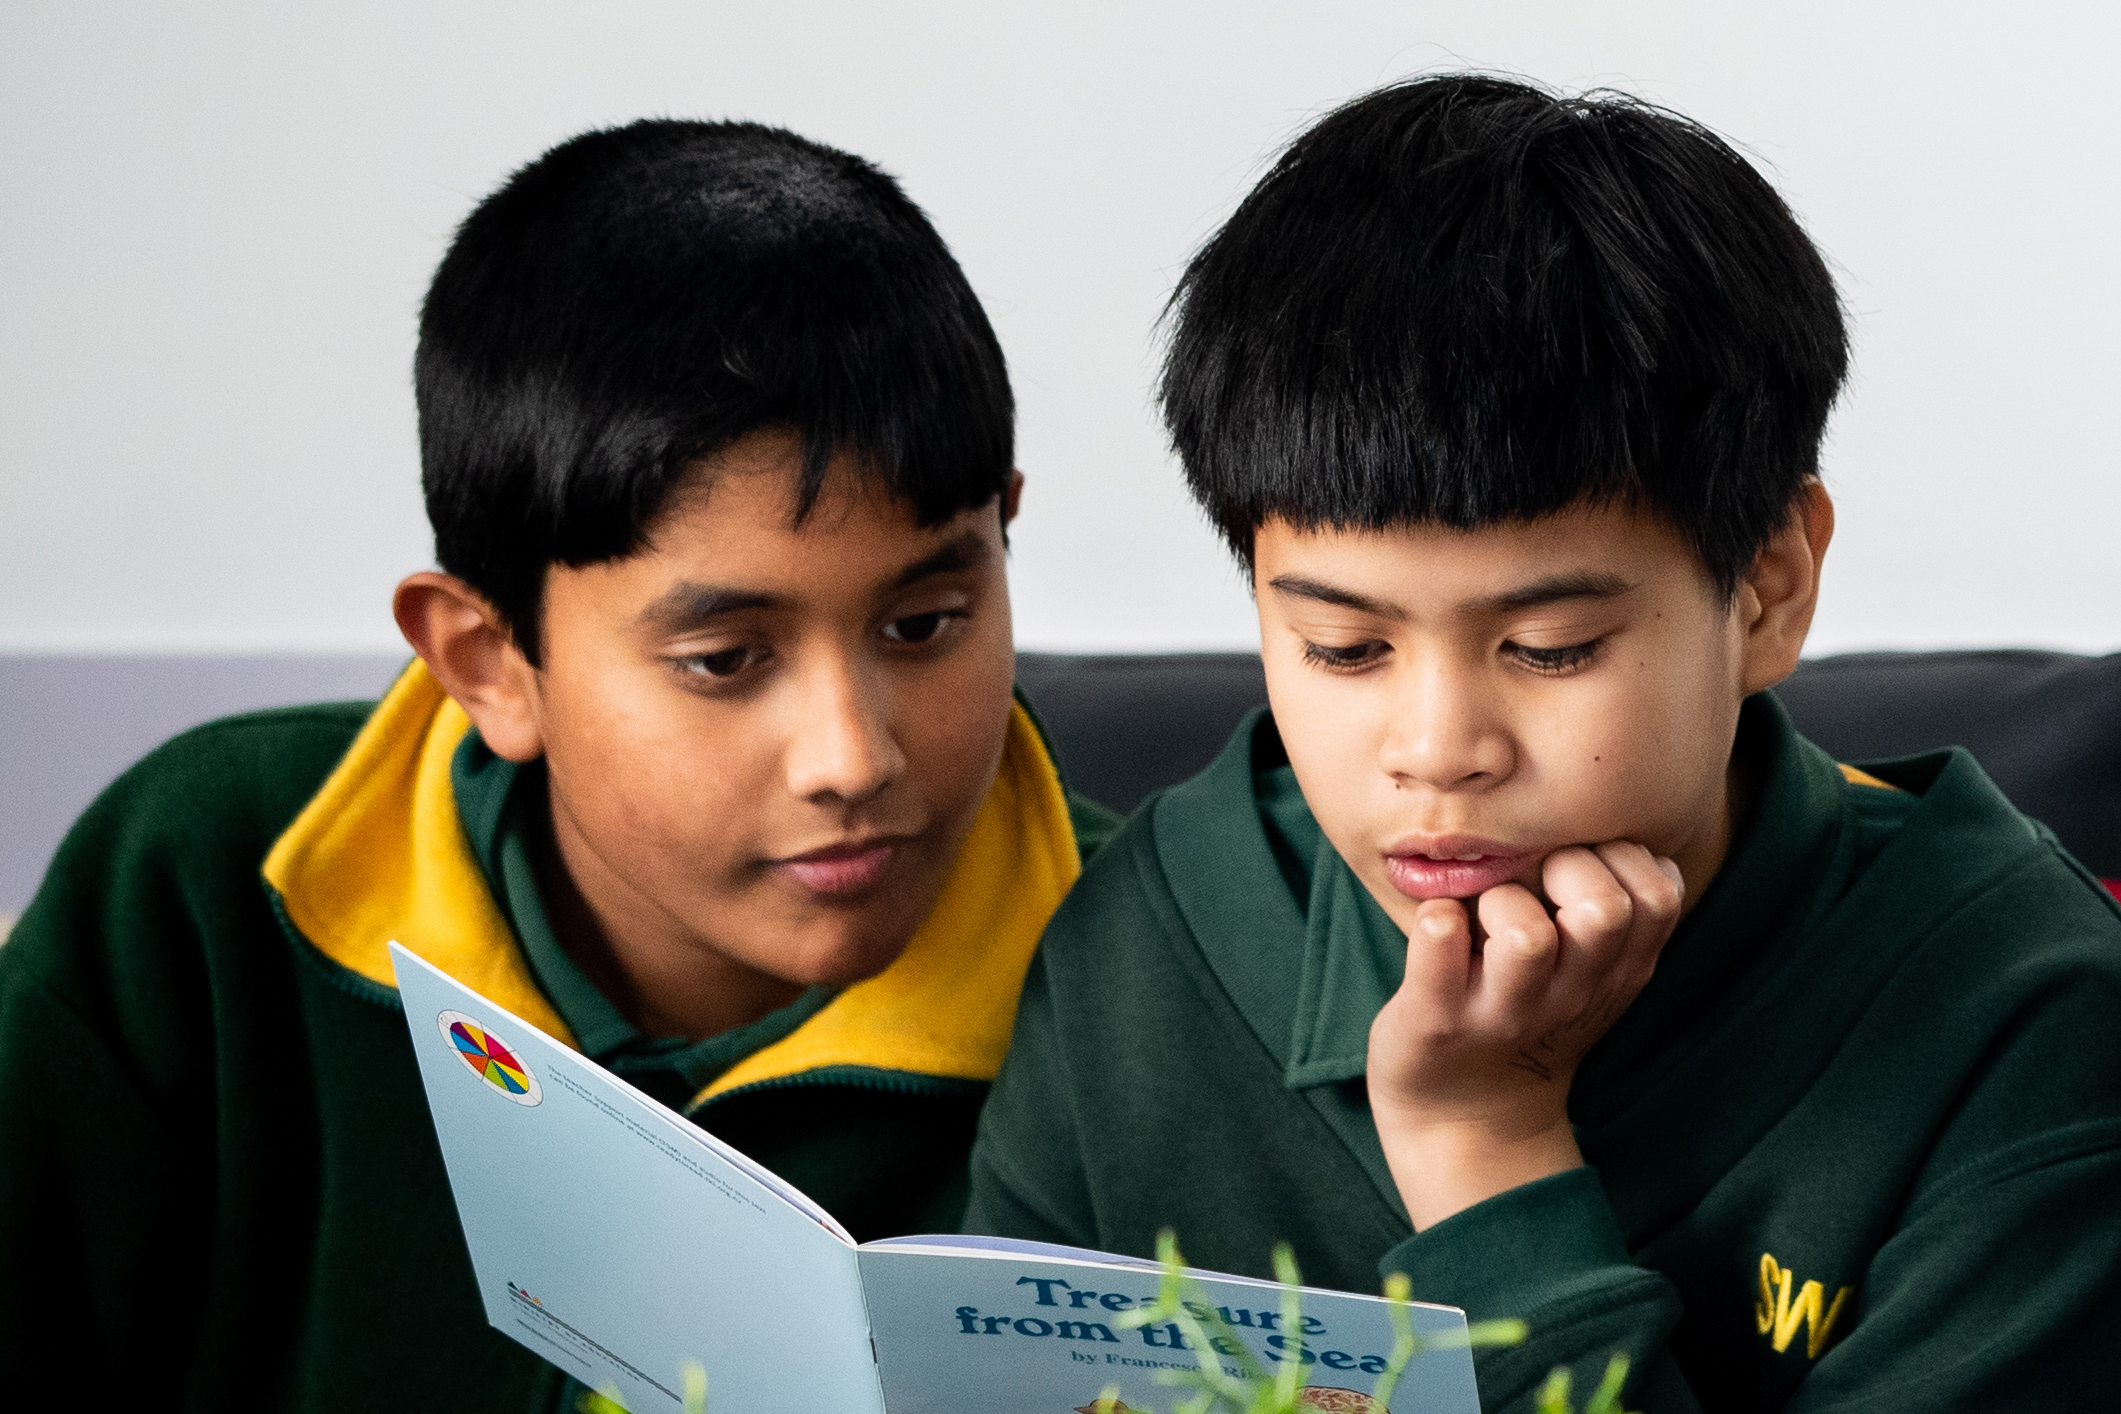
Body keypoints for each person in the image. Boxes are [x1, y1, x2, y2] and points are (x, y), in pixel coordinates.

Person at [964, 76, 2121, 1411]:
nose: (1437, 748)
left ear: (1767, 587)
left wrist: (1486, 1147)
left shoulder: (2034, 1033)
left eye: (1552, 646)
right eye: (1345, 649)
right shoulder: (1153, 937)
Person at [0, 120, 1116, 1411]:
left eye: (923, 626)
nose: (852, 756)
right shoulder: (201, 889)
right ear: (488, 662)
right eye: (724, 659)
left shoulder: (1161, 984)